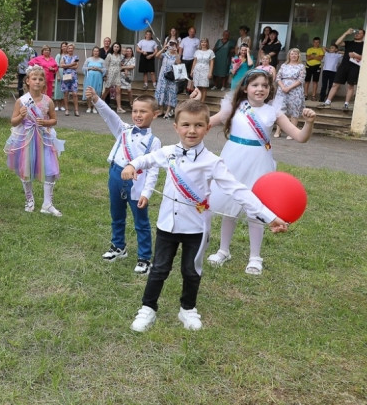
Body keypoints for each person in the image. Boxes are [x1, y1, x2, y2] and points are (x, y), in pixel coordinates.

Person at [123, 99, 287, 332]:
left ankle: (187, 308)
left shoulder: (213, 162)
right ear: (176, 127)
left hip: (196, 229)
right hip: (167, 226)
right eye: (186, 125)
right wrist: (131, 165)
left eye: (199, 125)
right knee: (159, 268)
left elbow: (239, 191)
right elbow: (146, 160)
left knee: (192, 271)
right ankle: (148, 308)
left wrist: (268, 216)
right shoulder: (167, 153)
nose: (192, 131)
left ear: (208, 127)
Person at [199, 69, 315, 275]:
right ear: (245, 88)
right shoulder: (234, 108)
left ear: (270, 89)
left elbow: (300, 137)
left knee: (256, 209)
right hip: (233, 160)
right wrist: (196, 105)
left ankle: (255, 257)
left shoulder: (274, 112)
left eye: (264, 85)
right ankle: (223, 250)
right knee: (229, 205)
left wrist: (309, 123)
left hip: (259, 163)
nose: (260, 89)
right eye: (255, 85)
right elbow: (204, 124)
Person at [86, 88, 160, 274]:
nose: (138, 115)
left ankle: (144, 258)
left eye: (143, 111)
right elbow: (109, 115)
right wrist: (96, 99)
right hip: (116, 176)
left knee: (141, 221)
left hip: (137, 182)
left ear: (155, 114)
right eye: (135, 110)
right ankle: (118, 247)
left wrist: (146, 193)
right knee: (116, 215)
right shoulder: (123, 130)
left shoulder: (154, 141)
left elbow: (153, 170)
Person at [5, 65, 64, 216]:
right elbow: (13, 121)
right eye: (34, 79)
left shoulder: (48, 101)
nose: (37, 81)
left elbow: (54, 120)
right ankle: (29, 199)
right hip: (27, 138)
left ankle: (47, 203)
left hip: (44, 137)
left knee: (50, 168)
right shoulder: (22, 101)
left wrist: (46, 123)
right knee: (26, 168)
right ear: (28, 81)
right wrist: (21, 116)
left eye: (40, 79)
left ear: (44, 82)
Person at [320, 27, 364, 111]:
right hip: (344, 65)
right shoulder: (349, 43)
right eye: (356, 32)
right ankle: (327, 102)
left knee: (350, 86)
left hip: (355, 67)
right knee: (335, 84)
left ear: (363, 35)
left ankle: (346, 104)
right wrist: (346, 33)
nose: (357, 34)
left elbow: (364, 57)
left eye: (360, 33)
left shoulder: (364, 45)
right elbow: (337, 43)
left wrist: (356, 56)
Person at [273, 48, 306, 139]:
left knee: (294, 111)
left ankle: (292, 133)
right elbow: (278, 77)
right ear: (289, 55)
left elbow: (301, 79)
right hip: (282, 89)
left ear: (298, 56)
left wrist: (289, 88)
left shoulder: (301, 66)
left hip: (295, 90)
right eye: (292, 54)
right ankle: (278, 131)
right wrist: (283, 87)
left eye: (296, 54)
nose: (294, 55)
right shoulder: (284, 65)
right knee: (280, 110)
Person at [154, 41, 179, 119]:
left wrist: (176, 52)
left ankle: (167, 112)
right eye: (171, 46)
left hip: (171, 76)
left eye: (173, 46)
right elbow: (157, 56)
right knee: (162, 92)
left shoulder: (176, 55)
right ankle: (161, 110)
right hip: (163, 75)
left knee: (170, 93)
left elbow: (179, 62)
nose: (172, 47)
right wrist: (163, 48)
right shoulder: (166, 54)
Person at [102, 41, 125, 113]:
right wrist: (106, 75)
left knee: (118, 90)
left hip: (117, 74)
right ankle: (100, 103)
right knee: (107, 90)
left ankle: (119, 107)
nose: (116, 48)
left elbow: (122, 64)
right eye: (115, 46)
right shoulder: (109, 55)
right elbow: (105, 65)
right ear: (113, 47)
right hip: (110, 74)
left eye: (117, 47)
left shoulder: (121, 56)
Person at [82, 46, 106, 113]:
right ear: (92, 52)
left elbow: (104, 70)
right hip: (89, 78)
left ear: (99, 52)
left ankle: (95, 108)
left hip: (98, 78)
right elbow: (83, 68)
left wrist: (98, 69)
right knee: (89, 91)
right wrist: (90, 68)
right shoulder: (88, 59)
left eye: (97, 51)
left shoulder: (102, 60)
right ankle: (89, 107)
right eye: (94, 51)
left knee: (97, 92)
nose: (96, 52)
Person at [191, 38, 215, 103]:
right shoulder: (197, 51)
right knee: (197, 86)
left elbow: (212, 63)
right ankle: (197, 101)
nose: (203, 44)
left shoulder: (210, 52)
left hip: (205, 69)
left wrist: (210, 72)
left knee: (204, 87)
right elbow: (194, 61)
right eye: (202, 42)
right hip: (197, 70)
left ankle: (202, 102)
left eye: (205, 42)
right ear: (200, 43)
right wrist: (192, 71)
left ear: (207, 43)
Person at [60, 43, 81, 116]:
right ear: (67, 49)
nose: (70, 49)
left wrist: (67, 66)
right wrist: (71, 65)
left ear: (73, 49)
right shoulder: (64, 57)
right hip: (66, 77)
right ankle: (67, 109)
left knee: (75, 94)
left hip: (74, 77)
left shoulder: (76, 57)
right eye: (69, 48)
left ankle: (76, 110)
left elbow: (76, 67)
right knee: (66, 93)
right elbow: (61, 65)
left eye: (72, 48)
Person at [178, 27, 200, 94]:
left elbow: (198, 50)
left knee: (191, 75)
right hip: (184, 59)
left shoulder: (197, 40)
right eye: (191, 31)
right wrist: (179, 58)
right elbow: (180, 49)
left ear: (195, 33)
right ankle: (180, 89)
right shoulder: (184, 40)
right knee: (182, 75)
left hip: (193, 60)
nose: (192, 33)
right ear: (188, 32)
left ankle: (189, 90)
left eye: (193, 32)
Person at [53, 42, 68, 111]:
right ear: (61, 47)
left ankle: (62, 105)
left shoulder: (68, 55)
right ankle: (56, 105)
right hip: (60, 73)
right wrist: (58, 75)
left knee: (65, 90)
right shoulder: (59, 55)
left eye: (66, 46)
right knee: (58, 89)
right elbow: (56, 66)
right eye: (63, 46)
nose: (64, 47)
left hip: (67, 74)